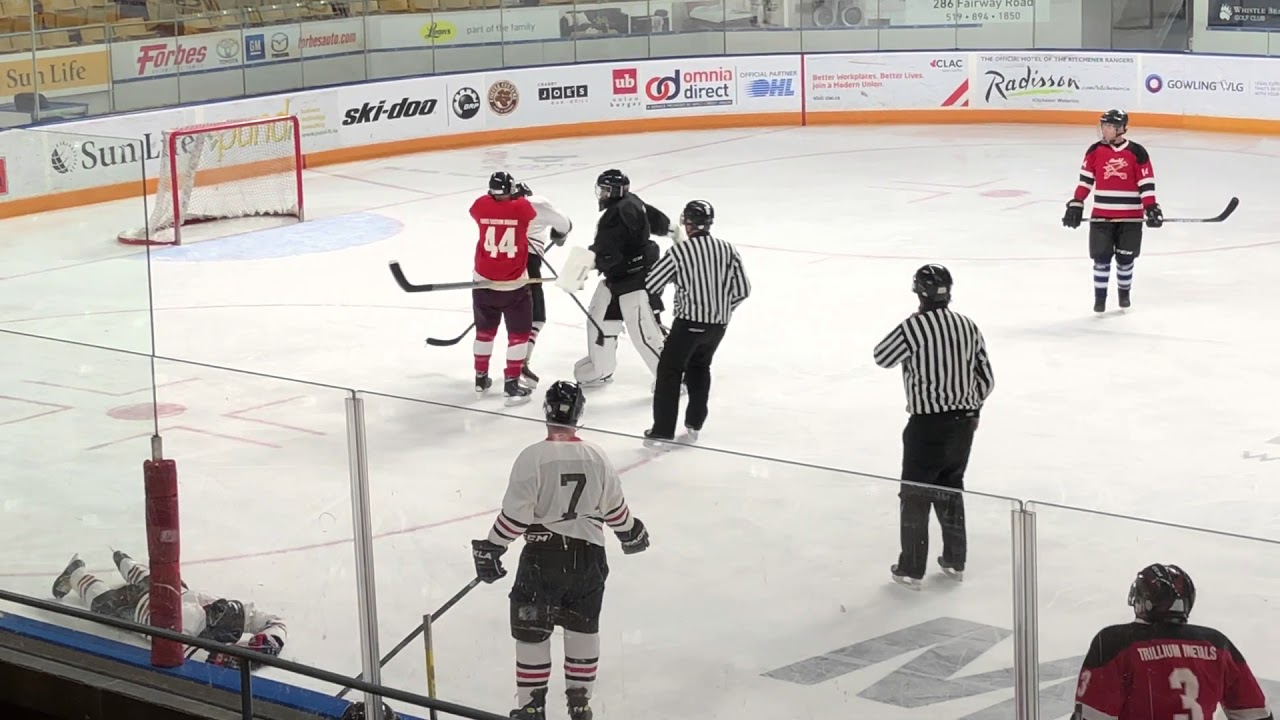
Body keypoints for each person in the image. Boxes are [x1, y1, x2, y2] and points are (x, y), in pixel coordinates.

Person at [469, 380, 650, 720]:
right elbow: (615, 510)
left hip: (542, 558)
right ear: (580, 414)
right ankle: (580, 703)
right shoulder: (596, 456)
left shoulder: (532, 457)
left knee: (532, 631)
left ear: (546, 413)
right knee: (582, 627)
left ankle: (532, 705)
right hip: (588, 560)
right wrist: (631, 532)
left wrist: (493, 547)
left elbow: (516, 517)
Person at [872, 264, 994, 589]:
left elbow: (882, 356)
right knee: (951, 488)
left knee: (915, 494)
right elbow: (987, 378)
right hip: (963, 423)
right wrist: (972, 407)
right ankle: (955, 561)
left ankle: (912, 568)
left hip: (927, 425)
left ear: (919, 292)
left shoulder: (915, 327)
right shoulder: (968, 326)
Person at [1071, 564, 1272, 720]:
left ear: (1141, 602)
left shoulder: (1115, 643)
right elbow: (1256, 715)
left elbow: (1091, 716)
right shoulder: (1217, 645)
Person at [52, 550, 287, 668]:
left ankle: (123, 559)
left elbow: (274, 622)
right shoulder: (186, 626)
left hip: (167, 590)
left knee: (155, 579)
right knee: (103, 603)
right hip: (135, 606)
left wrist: (265, 643)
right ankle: (76, 572)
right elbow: (204, 657)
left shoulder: (222, 607)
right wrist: (264, 647)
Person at [643, 200, 750, 445]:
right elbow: (743, 289)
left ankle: (663, 429)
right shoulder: (728, 249)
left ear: (687, 223)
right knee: (700, 368)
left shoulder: (681, 251)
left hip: (688, 324)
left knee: (669, 372)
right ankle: (695, 423)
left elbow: (652, 284)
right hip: (717, 326)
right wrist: (723, 310)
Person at [573, 169, 674, 387]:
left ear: (615, 191)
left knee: (644, 335)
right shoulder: (631, 202)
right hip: (618, 278)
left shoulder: (617, 214)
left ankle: (673, 379)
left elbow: (609, 253)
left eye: (605, 190)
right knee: (599, 323)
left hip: (634, 281)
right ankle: (601, 369)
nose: (601, 194)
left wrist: (580, 269)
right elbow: (654, 218)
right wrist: (671, 229)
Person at [1062, 109, 1163, 314]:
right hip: (1102, 215)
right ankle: (1100, 299)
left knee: (1126, 259)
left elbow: (1146, 183)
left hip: (1131, 217)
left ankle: (1124, 295)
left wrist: (1151, 207)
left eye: (1109, 126)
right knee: (1101, 258)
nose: (1104, 130)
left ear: (1121, 129)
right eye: (1104, 126)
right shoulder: (1094, 151)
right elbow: (1085, 181)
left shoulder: (1137, 152)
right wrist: (1076, 202)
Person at [471, 171, 538, 405]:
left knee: (484, 332)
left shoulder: (480, 206)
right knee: (518, 335)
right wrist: (517, 195)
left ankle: (481, 378)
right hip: (513, 285)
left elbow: (481, 207)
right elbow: (528, 209)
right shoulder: (522, 208)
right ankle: (511, 384)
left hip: (482, 282)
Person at [513, 181, 573, 388]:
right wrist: (559, 235)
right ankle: (520, 363)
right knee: (536, 317)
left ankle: (483, 371)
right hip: (527, 263)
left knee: (509, 314)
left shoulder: (502, 208)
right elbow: (565, 223)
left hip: (500, 265)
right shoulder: (536, 202)